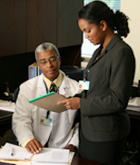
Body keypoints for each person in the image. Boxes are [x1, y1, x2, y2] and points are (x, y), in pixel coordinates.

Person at [58, 1, 135, 165]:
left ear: (103, 25)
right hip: (89, 131)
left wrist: (81, 103)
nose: (86, 36)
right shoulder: (98, 51)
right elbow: (91, 86)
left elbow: (118, 100)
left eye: (88, 30)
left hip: (106, 134)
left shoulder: (121, 52)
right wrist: (72, 97)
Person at [12, 42, 80, 154]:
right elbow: (21, 120)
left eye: (52, 59)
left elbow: (81, 124)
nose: (49, 65)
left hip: (63, 148)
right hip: (35, 149)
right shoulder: (27, 88)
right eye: (43, 62)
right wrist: (27, 140)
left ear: (59, 60)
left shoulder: (76, 88)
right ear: (38, 64)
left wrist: (73, 145)